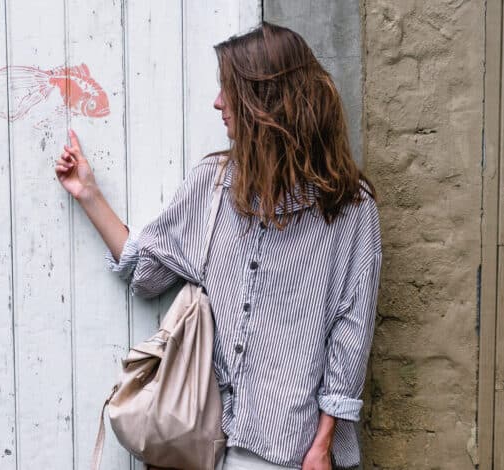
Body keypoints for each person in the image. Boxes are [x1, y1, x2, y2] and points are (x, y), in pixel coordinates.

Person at [54, 21, 381, 470]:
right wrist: (89, 194)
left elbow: (351, 332)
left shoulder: (348, 208)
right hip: (205, 441)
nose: (218, 102)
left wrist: (323, 445)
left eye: (229, 90)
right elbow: (147, 269)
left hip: (289, 450)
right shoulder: (214, 185)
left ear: (265, 100)